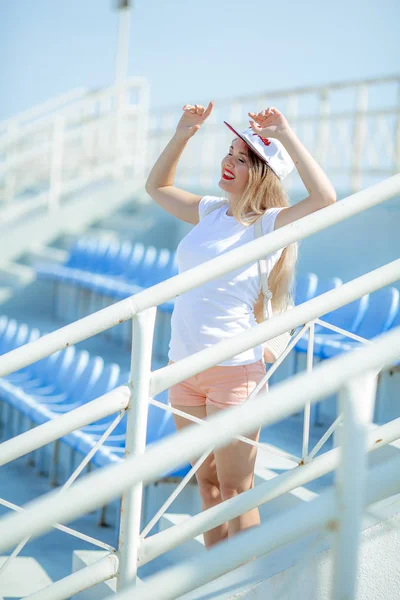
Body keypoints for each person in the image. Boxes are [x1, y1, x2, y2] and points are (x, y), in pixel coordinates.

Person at [145, 101, 336, 549]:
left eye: (242, 159)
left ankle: (248, 583)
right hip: (183, 369)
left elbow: (325, 199)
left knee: (236, 490)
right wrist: (183, 133)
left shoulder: (266, 224)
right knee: (206, 483)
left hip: (234, 374)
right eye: (230, 152)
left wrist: (286, 134)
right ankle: (216, 576)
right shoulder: (212, 211)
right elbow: (157, 186)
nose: (229, 162)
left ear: (263, 175)